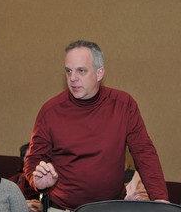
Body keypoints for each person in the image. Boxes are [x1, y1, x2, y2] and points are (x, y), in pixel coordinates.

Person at [24, 40, 169, 211]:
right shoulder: (50, 111)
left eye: (81, 71)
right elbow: (33, 160)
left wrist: (160, 198)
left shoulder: (123, 104)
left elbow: (144, 152)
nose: (73, 78)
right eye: (68, 71)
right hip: (63, 207)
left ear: (100, 73)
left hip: (111, 206)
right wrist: (37, 181)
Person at [10, 142, 41, 212]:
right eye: (28, 158)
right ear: (23, 161)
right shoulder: (14, 181)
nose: (31, 162)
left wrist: (43, 207)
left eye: (35, 158)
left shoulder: (52, 182)